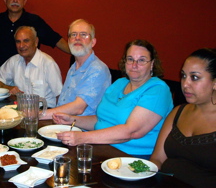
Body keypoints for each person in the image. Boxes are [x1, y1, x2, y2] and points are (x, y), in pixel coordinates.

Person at [53, 39, 173, 159]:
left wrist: (82, 137)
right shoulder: (119, 83)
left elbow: (132, 131)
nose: (134, 65)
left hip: (132, 157)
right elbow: (101, 120)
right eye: (130, 59)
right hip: (103, 149)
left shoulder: (157, 90)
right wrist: (72, 120)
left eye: (141, 60)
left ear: (152, 64)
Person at [150, 48, 216, 187]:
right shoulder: (178, 112)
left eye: (195, 77)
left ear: (215, 82)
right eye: (183, 76)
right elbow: (157, 159)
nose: (185, 84)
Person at [40, 19, 111, 119]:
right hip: (62, 124)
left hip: (82, 130)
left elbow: (78, 108)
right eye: (73, 35)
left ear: (93, 42)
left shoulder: (97, 70)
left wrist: (40, 114)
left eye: (83, 34)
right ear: (68, 41)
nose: (77, 38)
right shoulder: (74, 68)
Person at [0, 26, 62, 108]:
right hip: (20, 111)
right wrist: (7, 88)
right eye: (18, 42)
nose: (21, 45)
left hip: (44, 112)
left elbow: (60, 96)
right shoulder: (14, 61)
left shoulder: (48, 64)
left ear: (36, 41)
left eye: (26, 41)